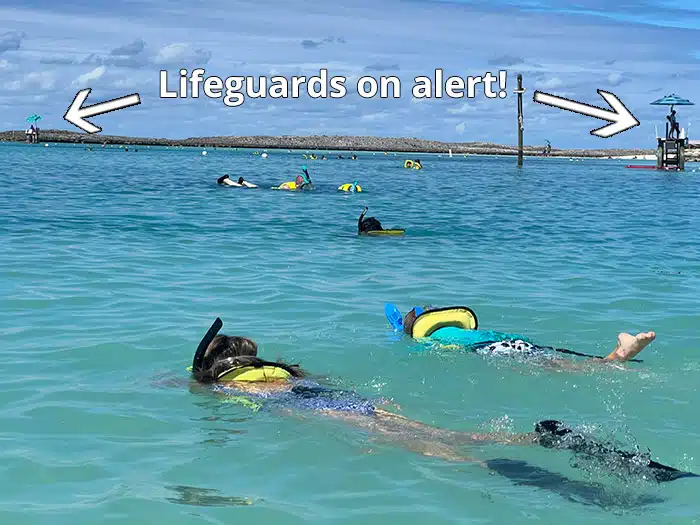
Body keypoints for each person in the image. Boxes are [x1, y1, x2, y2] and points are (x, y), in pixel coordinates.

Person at [190, 318, 696, 485]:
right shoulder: (283, 370)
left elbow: (196, 388)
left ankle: (505, 457)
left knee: (435, 449)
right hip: (344, 398)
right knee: (430, 435)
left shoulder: (225, 382)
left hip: (319, 408)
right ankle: (528, 438)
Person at [397, 306, 655, 367]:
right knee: (559, 358)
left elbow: (424, 353)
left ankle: (617, 356)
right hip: (513, 341)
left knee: (561, 369)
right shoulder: (462, 331)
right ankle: (614, 356)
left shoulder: (430, 339)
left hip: (494, 349)